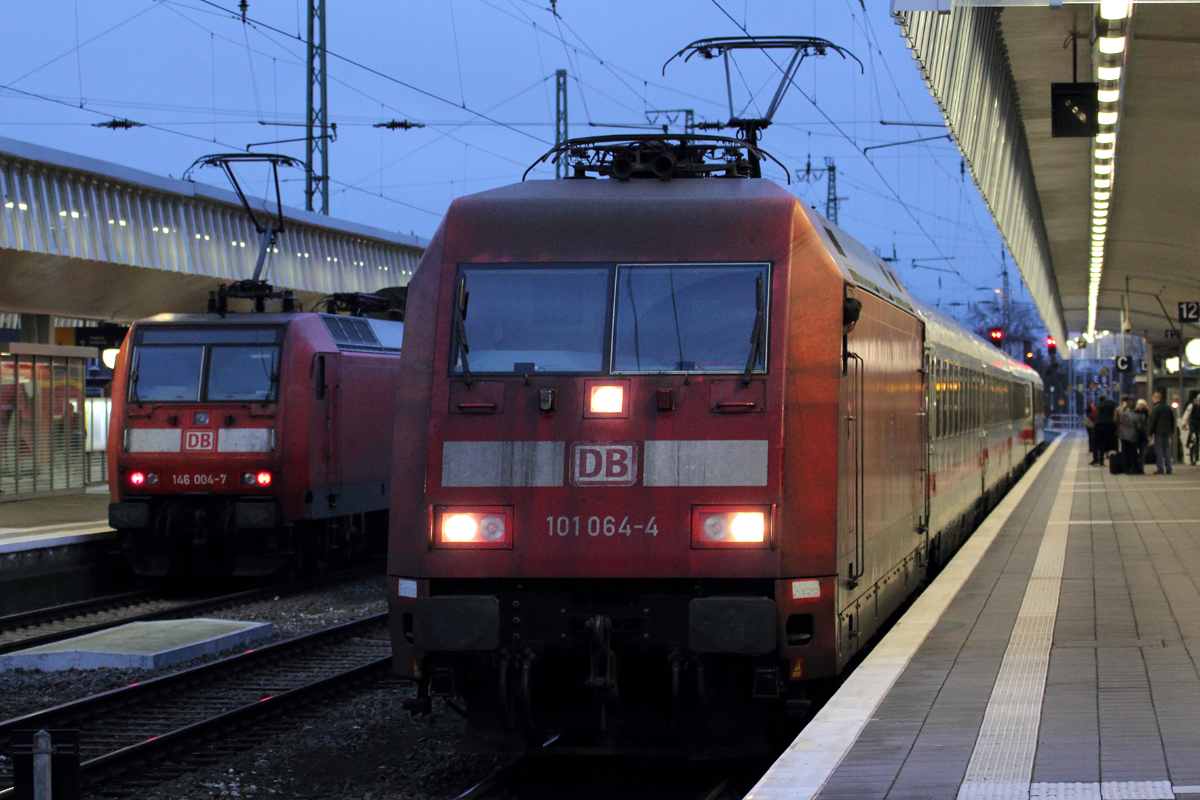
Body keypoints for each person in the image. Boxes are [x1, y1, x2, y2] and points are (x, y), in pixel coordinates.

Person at [1148, 392, 1175, 474]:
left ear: (1156, 399)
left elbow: (1152, 421)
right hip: (1167, 431)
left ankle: (1160, 468)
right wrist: (1172, 431)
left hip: (1158, 431)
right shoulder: (1168, 407)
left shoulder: (1155, 408)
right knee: (1167, 449)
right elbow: (1172, 419)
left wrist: (1150, 433)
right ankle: (1169, 468)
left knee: (1159, 449)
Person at [1094, 394, 1118, 466]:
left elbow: (1097, 417)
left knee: (1100, 443)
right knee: (1110, 443)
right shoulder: (1111, 406)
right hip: (1109, 426)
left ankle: (1100, 459)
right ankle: (1112, 457)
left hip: (1100, 427)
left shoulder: (1100, 407)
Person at [1184, 396, 1200, 466]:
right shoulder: (1192, 406)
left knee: (1196, 441)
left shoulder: (1193, 406)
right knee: (1194, 440)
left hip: (1197, 425)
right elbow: (1187, 415)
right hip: (1193, 426)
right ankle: (1193, 457)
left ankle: (1195, 457)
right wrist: (1184, 424)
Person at [1136, 399, 1151, 472]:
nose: (1140, 407)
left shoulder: (1147, 414)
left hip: (1143, 435)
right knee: (1136, 452)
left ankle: (1141, 468)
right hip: (1136, 435)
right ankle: (1137, 467)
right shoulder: (1135, 413)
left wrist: (1149, 434)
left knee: (1142, 452)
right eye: (1139, 405)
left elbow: (1149, 425)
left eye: (1142, 405)